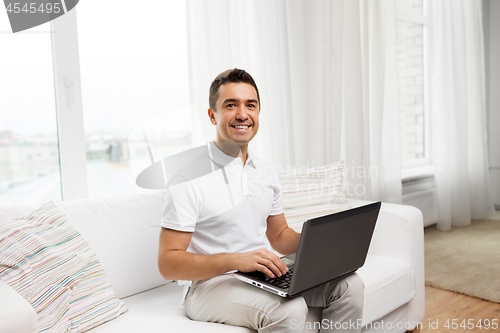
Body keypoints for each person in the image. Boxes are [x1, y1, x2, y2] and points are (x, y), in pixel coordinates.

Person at [158, 68, 364, 332]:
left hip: (260, 274)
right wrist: (236, 260)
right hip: (210, 285)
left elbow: (278, 235)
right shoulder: (188, 178)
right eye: (230, 105)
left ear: (257, 113)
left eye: (250, 105)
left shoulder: (265, 171)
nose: (242, 114)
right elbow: (168, 263)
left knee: (350, 285)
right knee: (290, 308)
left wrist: (320, 244)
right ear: (212, 115)